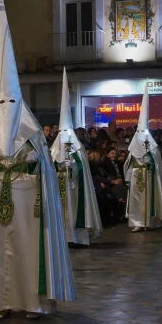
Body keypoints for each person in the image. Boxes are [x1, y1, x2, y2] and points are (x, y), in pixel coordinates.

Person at [0, 0, 75, 320]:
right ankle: (2, 301)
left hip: (27, 201)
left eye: (10, 103)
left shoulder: (32, 133)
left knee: (26, 249)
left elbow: (46, 171)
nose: (5, 109)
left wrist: (36, 168)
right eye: (1, 103)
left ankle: (31, 300)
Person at [50, 68, 102, 246]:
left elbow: (82, 167)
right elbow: (49, 165)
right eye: (61, 131)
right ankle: (62, 238)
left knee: (74, 210)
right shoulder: (54, 148)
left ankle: (78, 237)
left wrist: (71, 167)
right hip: (59, 185)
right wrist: (58, 167)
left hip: (74, 187)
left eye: (66, 131)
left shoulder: (77, 148)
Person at [124, 83, 162, 232]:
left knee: (149, 199)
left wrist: (150, 159)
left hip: (150, 175)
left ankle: (149, 221)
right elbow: (129, 162)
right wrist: (129, 176)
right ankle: (137, 221)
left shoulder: (153, 147)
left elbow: (156, 160)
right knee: (136, 200)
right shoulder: (133, 145)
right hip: (137, 174)